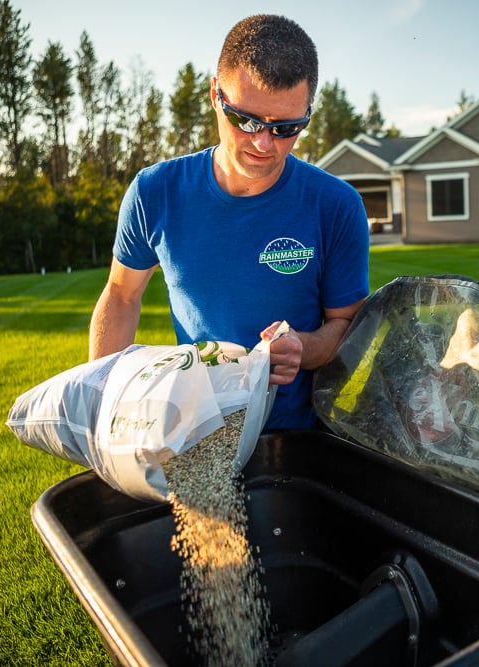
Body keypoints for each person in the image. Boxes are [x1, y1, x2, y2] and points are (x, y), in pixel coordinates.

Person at [89, 14, 370, 430]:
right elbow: (122, 294)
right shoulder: (156, 192)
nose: (263, 143)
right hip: (197, 427)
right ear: (215, 95)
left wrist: (302, 348)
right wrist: (100, 398)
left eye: (286, 127)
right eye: (248, 120)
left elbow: (346, 324)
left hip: (301, 440)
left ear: (308, 111)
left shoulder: (336, 205)